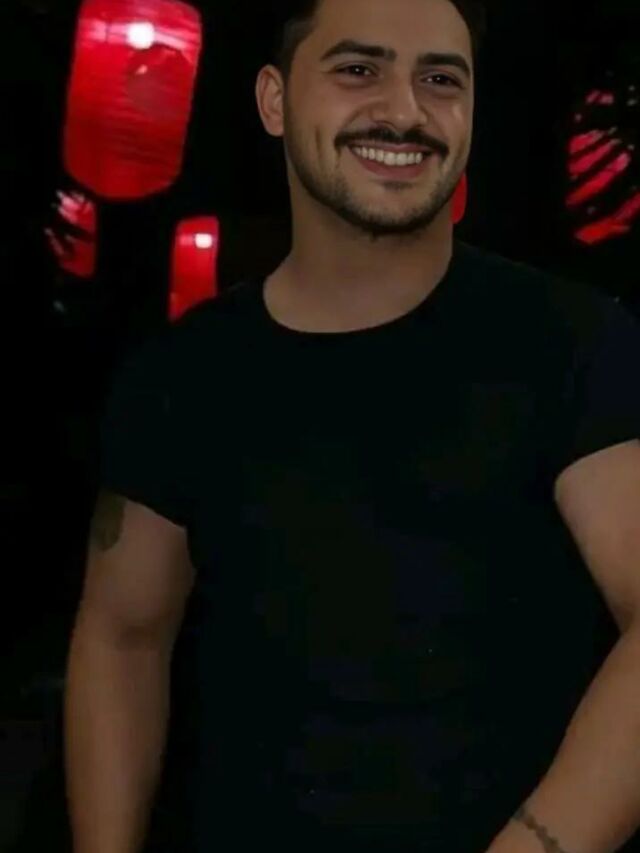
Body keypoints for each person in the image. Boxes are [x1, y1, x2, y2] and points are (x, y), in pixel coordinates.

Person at [64, 1, 640, 852]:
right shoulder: (182, 375)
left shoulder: (571, 341)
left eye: (440, 79)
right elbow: (123, 637)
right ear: (274, 99)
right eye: (359, 69)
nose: (405, 111)